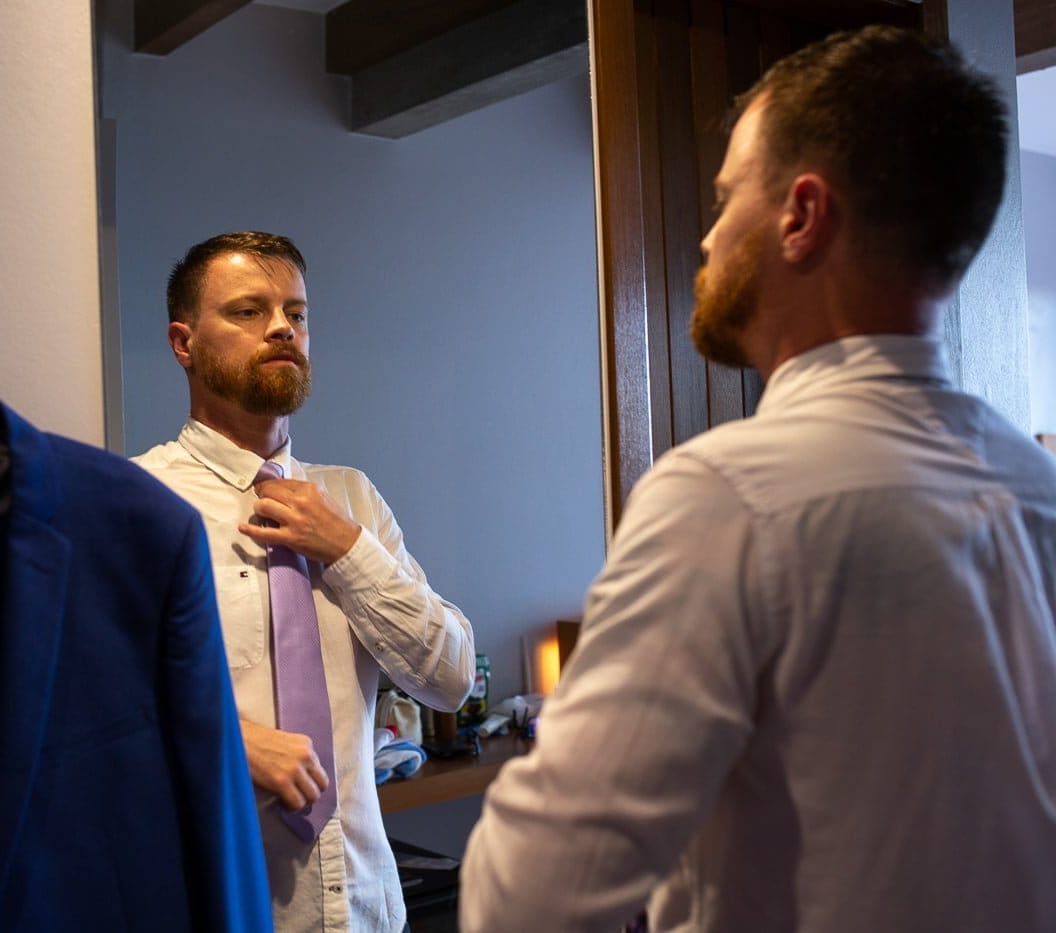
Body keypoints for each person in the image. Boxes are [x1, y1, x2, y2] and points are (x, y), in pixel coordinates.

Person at [461, 24, 1056, 933]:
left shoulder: (731, 499)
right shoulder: (1039, 488)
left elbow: (533, 893)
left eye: (726, 195)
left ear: (801, 215)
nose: (706, 236)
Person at [133, 231, 475, 932]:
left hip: (366, 907)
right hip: (220, 906)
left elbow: (451, 678)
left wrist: (346, 549)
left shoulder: (353, 500)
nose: (282, 327)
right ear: (183, 342)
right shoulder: (134, 501)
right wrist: (225, 739)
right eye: (248, 311)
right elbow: (86, 707)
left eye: (296, 312)